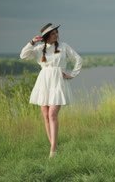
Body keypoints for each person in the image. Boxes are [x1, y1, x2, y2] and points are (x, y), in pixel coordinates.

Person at [20, 23, 83, 157]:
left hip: (58, 81)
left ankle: (53, 149)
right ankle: (54, 147)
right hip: (44, 82)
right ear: (47, 36)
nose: (57, 35)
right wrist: (31, 42)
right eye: (53, 33)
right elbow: (23, 55)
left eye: (56, 32)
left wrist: (72, 74)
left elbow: (78, 59)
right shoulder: (38, 49)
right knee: (46, 116)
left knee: (52, 115)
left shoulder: (63, 46)